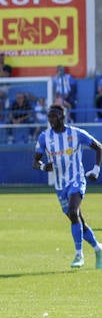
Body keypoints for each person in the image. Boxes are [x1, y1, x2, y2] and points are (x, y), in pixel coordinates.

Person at [33, 104, 102, 269]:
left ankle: (79, 255)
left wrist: (96, 170)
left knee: (72, 211)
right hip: (60, 185)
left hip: (76, 179)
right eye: (49, 116)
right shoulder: (44, 137)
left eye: (54, 116)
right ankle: (98, 249)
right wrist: (43, 167)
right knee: (77, 220)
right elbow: (35, 162)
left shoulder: (76, 134)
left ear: (62, 117)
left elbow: (99, 147)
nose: (51, 120)